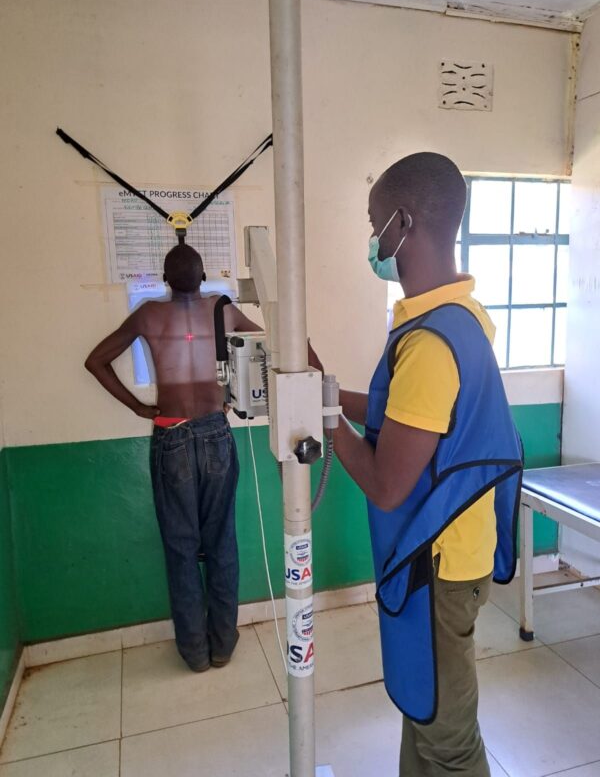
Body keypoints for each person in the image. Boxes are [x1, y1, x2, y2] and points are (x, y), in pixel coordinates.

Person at [310, 152, 523, 776]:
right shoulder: (458, 320)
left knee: (448, 739)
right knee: (422, 709)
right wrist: (330, 393)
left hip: (438, 567)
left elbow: (387, 482)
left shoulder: (430, 344)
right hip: (456, 551)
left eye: (374, 223)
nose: (372, 241)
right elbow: (402, 414)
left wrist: (325, 422)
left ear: (402, 223)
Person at [85, 243, 261, 672]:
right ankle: (223, 646)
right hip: (216, 431)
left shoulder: (148, 313)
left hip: (171, 434)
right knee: (222, 544)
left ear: (166, 279)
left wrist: (139, 408)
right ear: (203, 279)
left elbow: (96, 361)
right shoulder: (222, 309)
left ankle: (194, 654)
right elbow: (261, 349)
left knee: (181, 549)